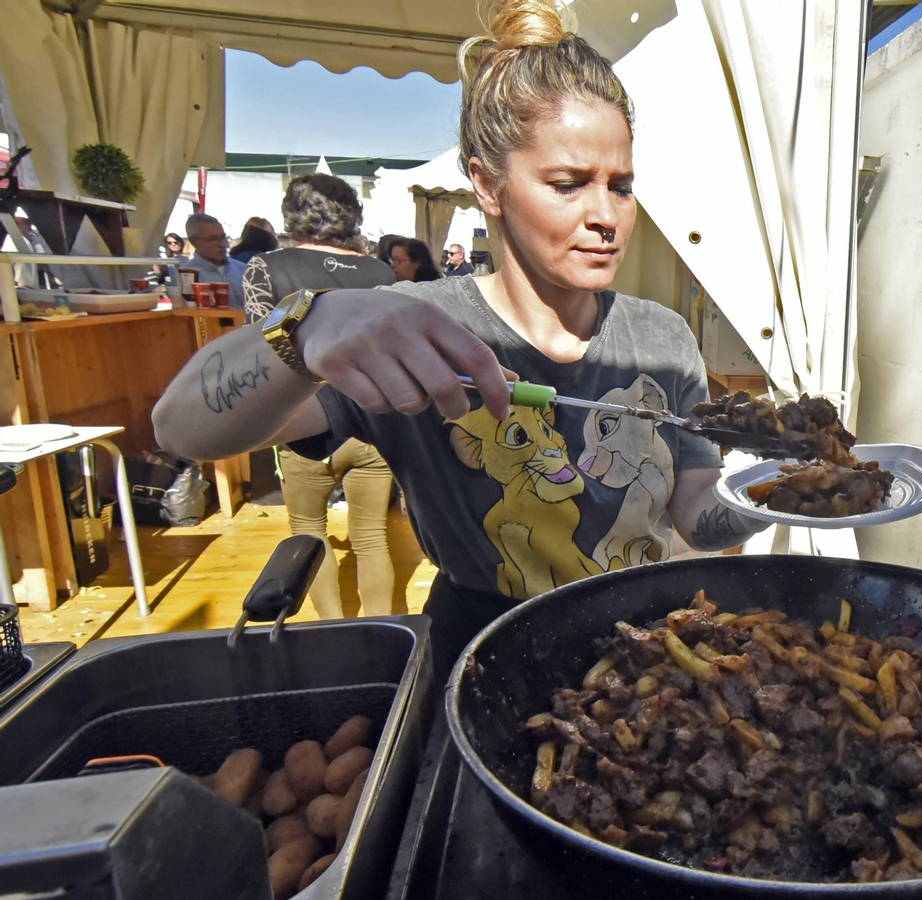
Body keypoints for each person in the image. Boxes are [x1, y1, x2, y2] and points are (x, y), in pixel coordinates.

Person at [152, 0, 770, 677]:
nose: (606, 216)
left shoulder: (661, 336)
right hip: (481, 657)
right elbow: (181, 429)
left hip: (646, 655)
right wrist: (303, 328)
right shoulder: (412, 327)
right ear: (486, 183)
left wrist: (777, 491)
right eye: (568, 184)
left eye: (621, 186)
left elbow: (697, 516)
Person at [240, 173, 399, 620]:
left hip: (299, 420)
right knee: (371, 536)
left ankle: (332, 631)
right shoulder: (380, 272)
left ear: (293, 214)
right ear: (351, 213)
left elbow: (261, 349)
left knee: (308, 532)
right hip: (370, 417)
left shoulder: (266, 268)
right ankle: (385, 633)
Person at [183, 213, 247, 303]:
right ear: (194, 241)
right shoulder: (187, 278)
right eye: (212, 239)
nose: (222, 244)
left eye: (223, 237)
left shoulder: (244, 270)